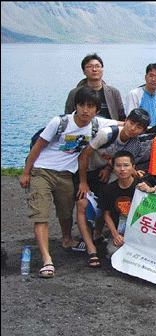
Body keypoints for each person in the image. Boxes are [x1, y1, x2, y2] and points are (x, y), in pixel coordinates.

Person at [20, 86, 115, 278]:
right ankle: (47, 259)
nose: (86, 110)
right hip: (43, 171)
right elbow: (38, 147)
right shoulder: (59, 122)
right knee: (41, 214)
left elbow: (123, 123)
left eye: (91, 106)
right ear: (76, 106)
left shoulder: (97, 124)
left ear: (96, 109)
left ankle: (67, 240)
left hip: (65, 175)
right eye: (82, 105)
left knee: (65, 212)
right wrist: (26, 173)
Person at [76, 108, 151, 267]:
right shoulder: (107, 134)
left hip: (103, 172)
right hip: (87, 171)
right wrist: (83, 182)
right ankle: (91, 250)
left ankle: (97, 234)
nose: (132, 128)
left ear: (143, 131)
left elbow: (121, 163)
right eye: (131, 123)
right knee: (82, 203)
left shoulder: (134, 143)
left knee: (107, 200)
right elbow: (83, 155)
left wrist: (109, 169)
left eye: (139, 127)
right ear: (126, 121)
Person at [99, 150, 139, 257]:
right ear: (113, 168)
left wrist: (151, 189)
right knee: (113, 253)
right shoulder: (108, 189)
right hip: (120, 231)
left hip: (140, 231)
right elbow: (106, 214)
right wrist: (115, 234)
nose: (122, 169)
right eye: (118, 166)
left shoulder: (142, 186)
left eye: (126, 165)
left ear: (133, 167)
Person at [65, 53, 125, 121]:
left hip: (110, 129)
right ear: (83, 71)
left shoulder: (113, 92)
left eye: (97, 66)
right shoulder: (74, 93)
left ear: (102, 69)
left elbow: (121, 116)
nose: (94, 69)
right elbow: (67, 118)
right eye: (90, 66)